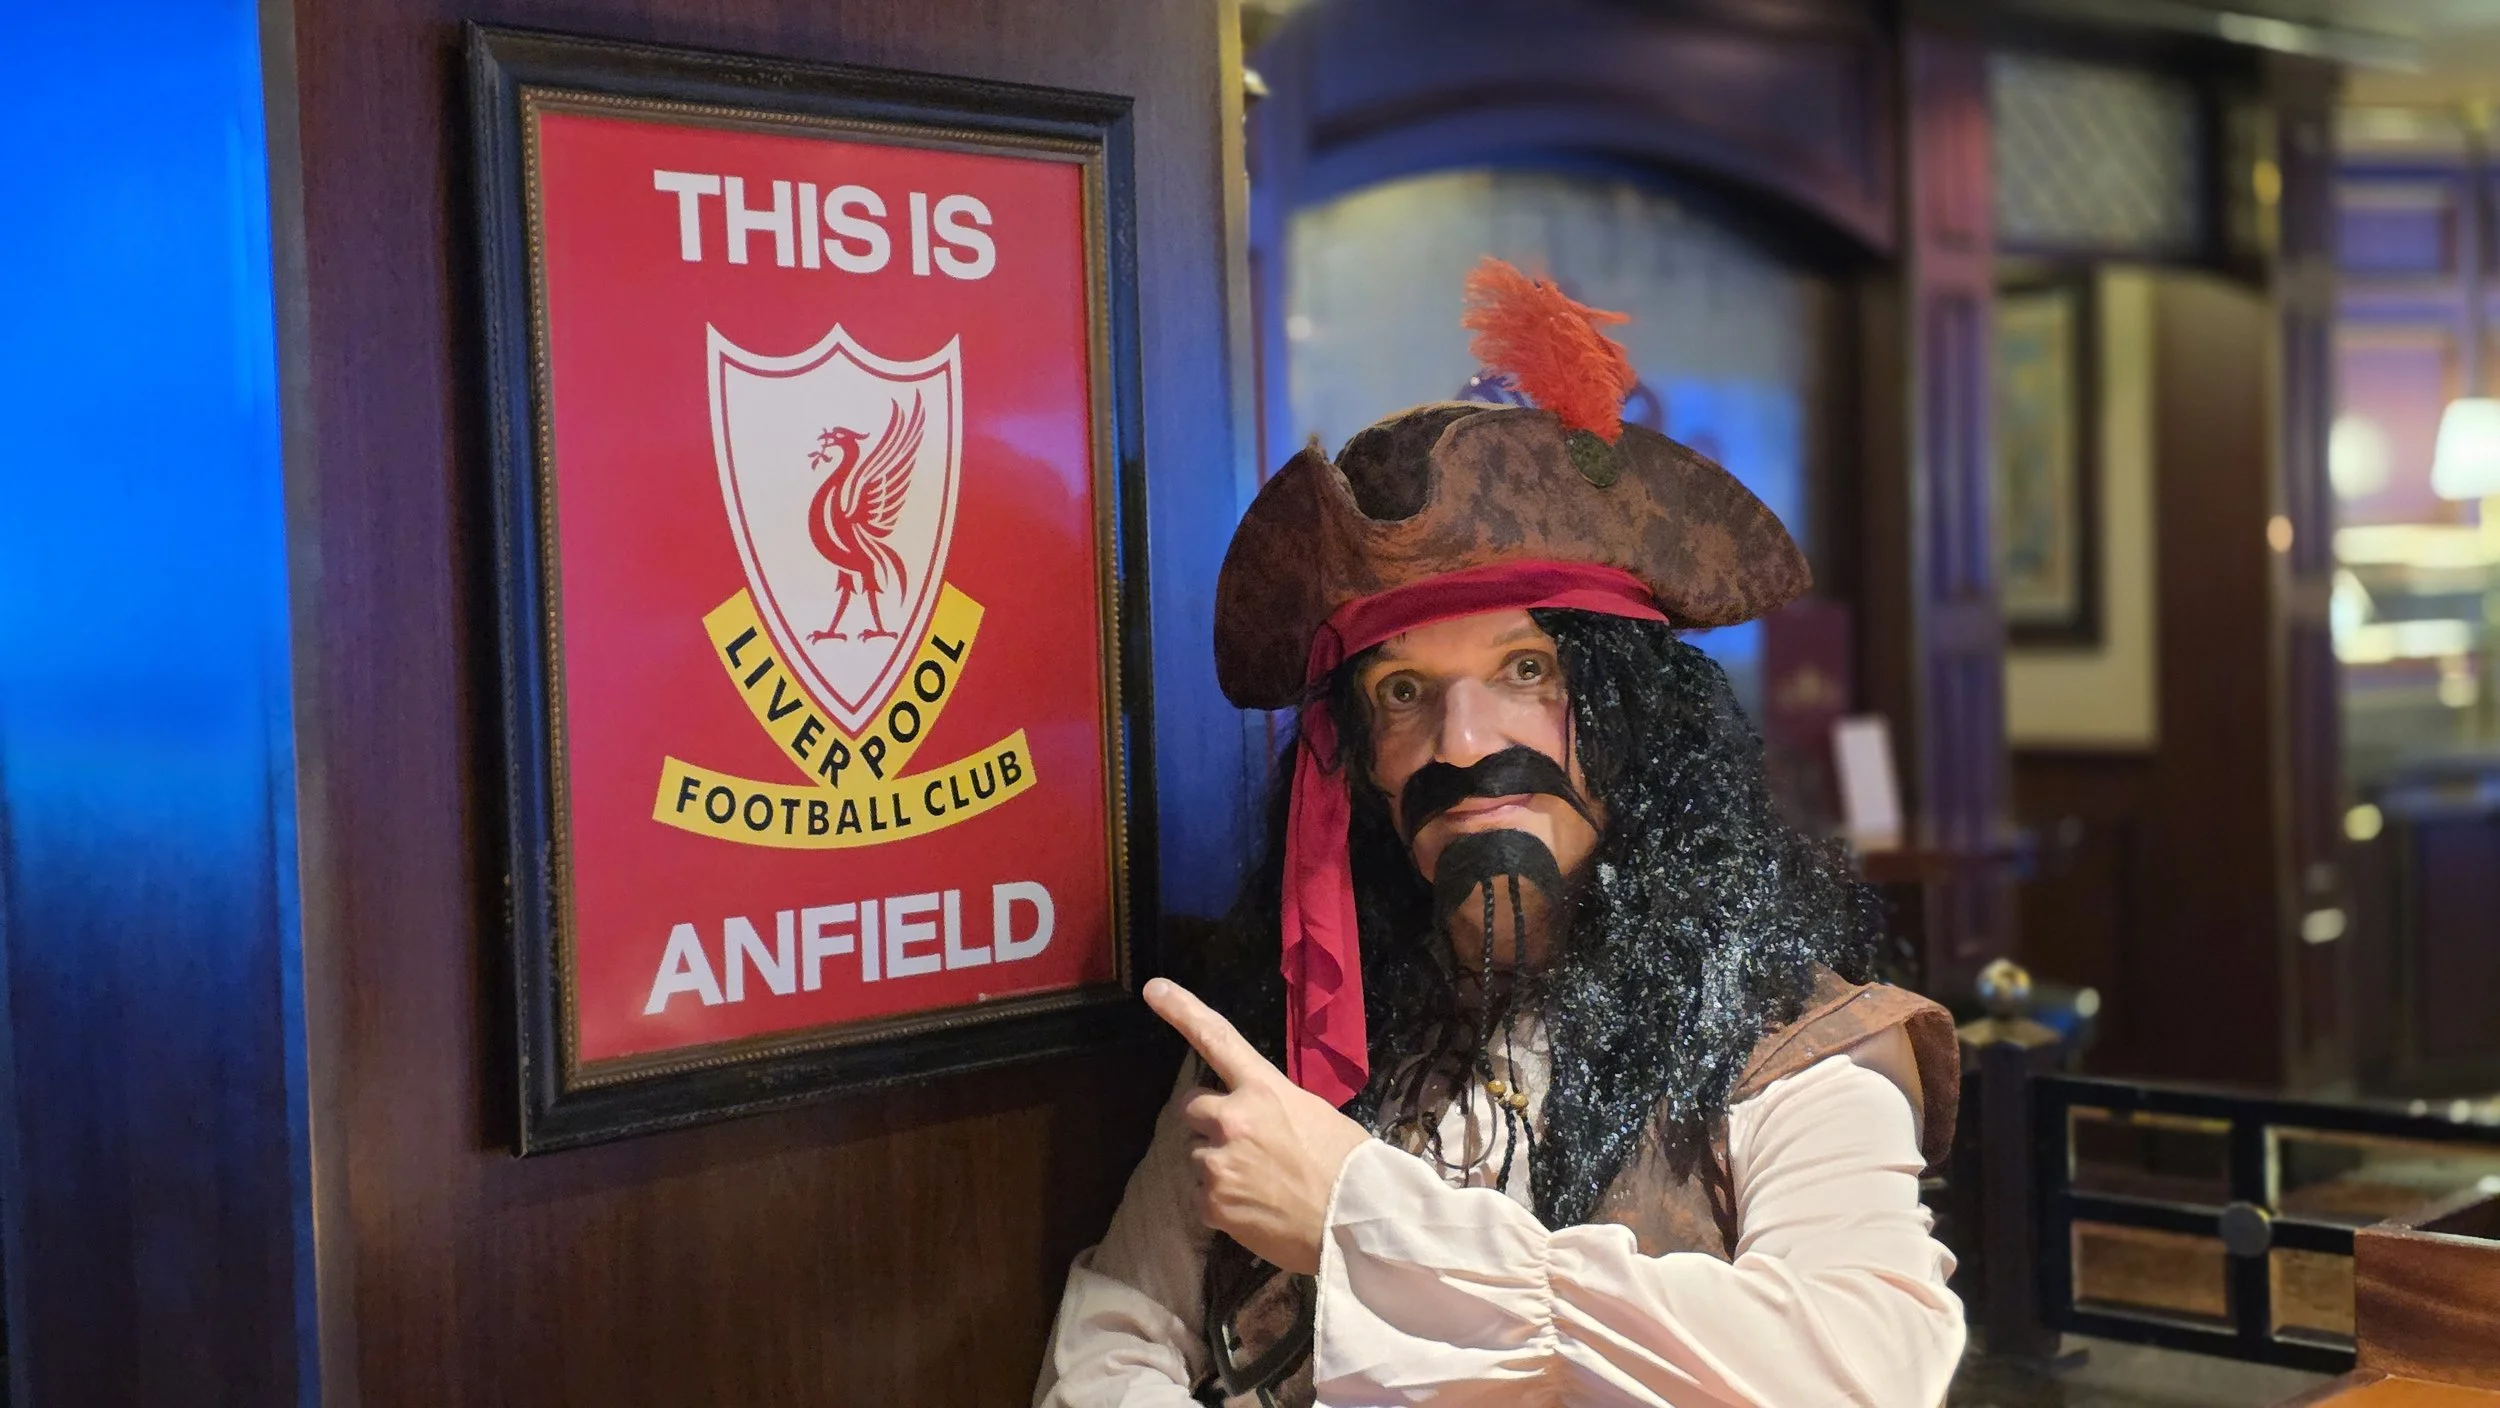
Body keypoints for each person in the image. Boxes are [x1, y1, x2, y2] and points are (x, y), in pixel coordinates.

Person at [1034, 259, 1965, 1407]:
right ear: (1356, 763)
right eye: (1403, 692)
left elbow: (1867, 1370)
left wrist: (1359, 1217)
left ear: (1634, 723)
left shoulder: (1792, 1047)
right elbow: (1117, 1327)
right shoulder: (1285, 1024)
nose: (1463, 741)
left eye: (1525, 670)